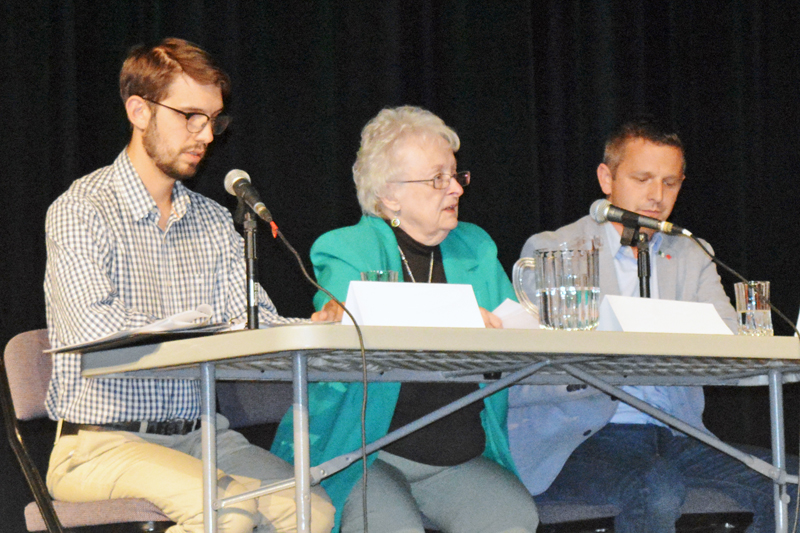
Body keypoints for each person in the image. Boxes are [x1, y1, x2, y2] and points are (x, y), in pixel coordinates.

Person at [43, 38, 335, 533]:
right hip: (100, 443)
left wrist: (315, 326)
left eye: (214, 120)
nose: (205, 135)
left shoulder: (213, 220)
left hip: (204, 437)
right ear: (139, 111)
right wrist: (195, 329)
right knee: (229, 507)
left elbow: (251, 320)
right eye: (189, 116)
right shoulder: (81, 209)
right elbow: (90, 326)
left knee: (311, 509)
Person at [509, 118, 797, 533]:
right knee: (657, 490)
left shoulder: (691, 253)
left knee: (789, 482)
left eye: (670, 182)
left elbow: (731, 343)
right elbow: (539, 364)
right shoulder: (554, 249)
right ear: (606, 178)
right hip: (589, 433)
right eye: (642, 179)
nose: (656, 196)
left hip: (678, 432)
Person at [272, 106, 539, 533]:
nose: (455, 189)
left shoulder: (475, 246)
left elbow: (515, 325)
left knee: (512, 516)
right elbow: (359, 316)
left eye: (455, 175)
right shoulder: (346, 248)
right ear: (390, 195)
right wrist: (461, 318)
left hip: (457, 457)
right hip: (366, 454)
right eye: (438, 179)